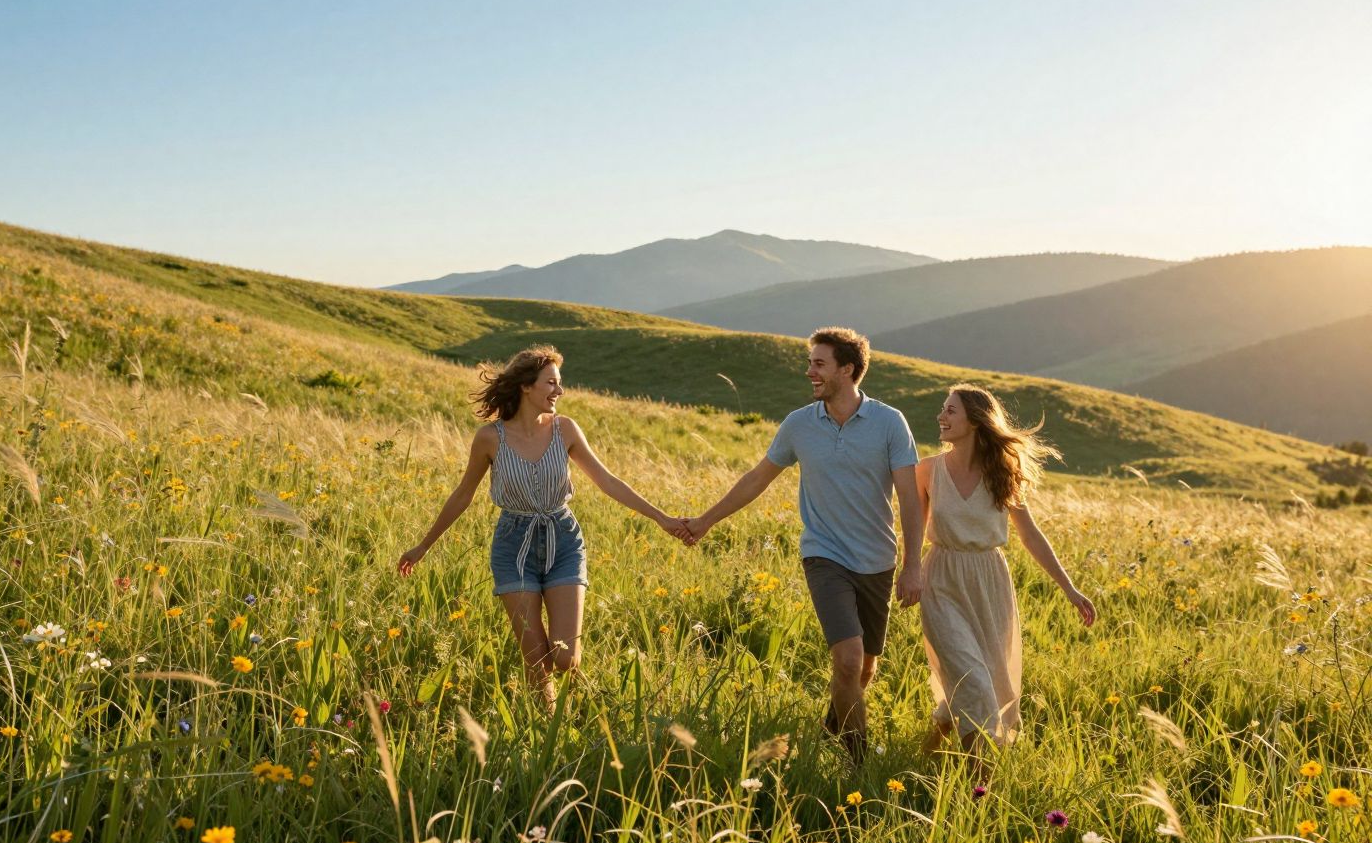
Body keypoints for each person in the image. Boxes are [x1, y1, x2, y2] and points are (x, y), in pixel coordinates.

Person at [397, 346, 688, 708]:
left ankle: (583, 701)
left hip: (563, 540)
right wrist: (423, 546)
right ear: (526, 386)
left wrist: (662, 518)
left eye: (558, 383)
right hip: (512, 546)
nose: (559, 391)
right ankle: (548, 728)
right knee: (536, 660)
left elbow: (608, 481)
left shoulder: (565, 429)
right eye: (551, 383)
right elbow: (462, 495)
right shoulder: (490, 438)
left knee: (565, 658)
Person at [682, 327, 923, 763]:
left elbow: (909, 497)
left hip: (877, 560)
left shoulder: (890, 423)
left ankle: (832, 727)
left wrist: (912, 566)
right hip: (824, 555)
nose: (809, 371)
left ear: (847, 369)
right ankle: (858, 763)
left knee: (864, 668)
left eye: (819, 364)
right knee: (848, 660)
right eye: (810, 362)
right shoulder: (799, 424)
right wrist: (705, 521)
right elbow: (757, 478)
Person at [917, 384, 1096, 754]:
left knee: (980, 677)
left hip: (990, 583)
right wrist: (906, 573)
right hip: (941, 579)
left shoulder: (1002, 473)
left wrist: (1069, 588)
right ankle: (979, 782)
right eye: (943, 409)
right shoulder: (928, 470)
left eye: (950, 410)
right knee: (973, 680)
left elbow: (1030, 535)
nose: (940, 416)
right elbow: (913, 529)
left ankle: (930, 750)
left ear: (975, 421)